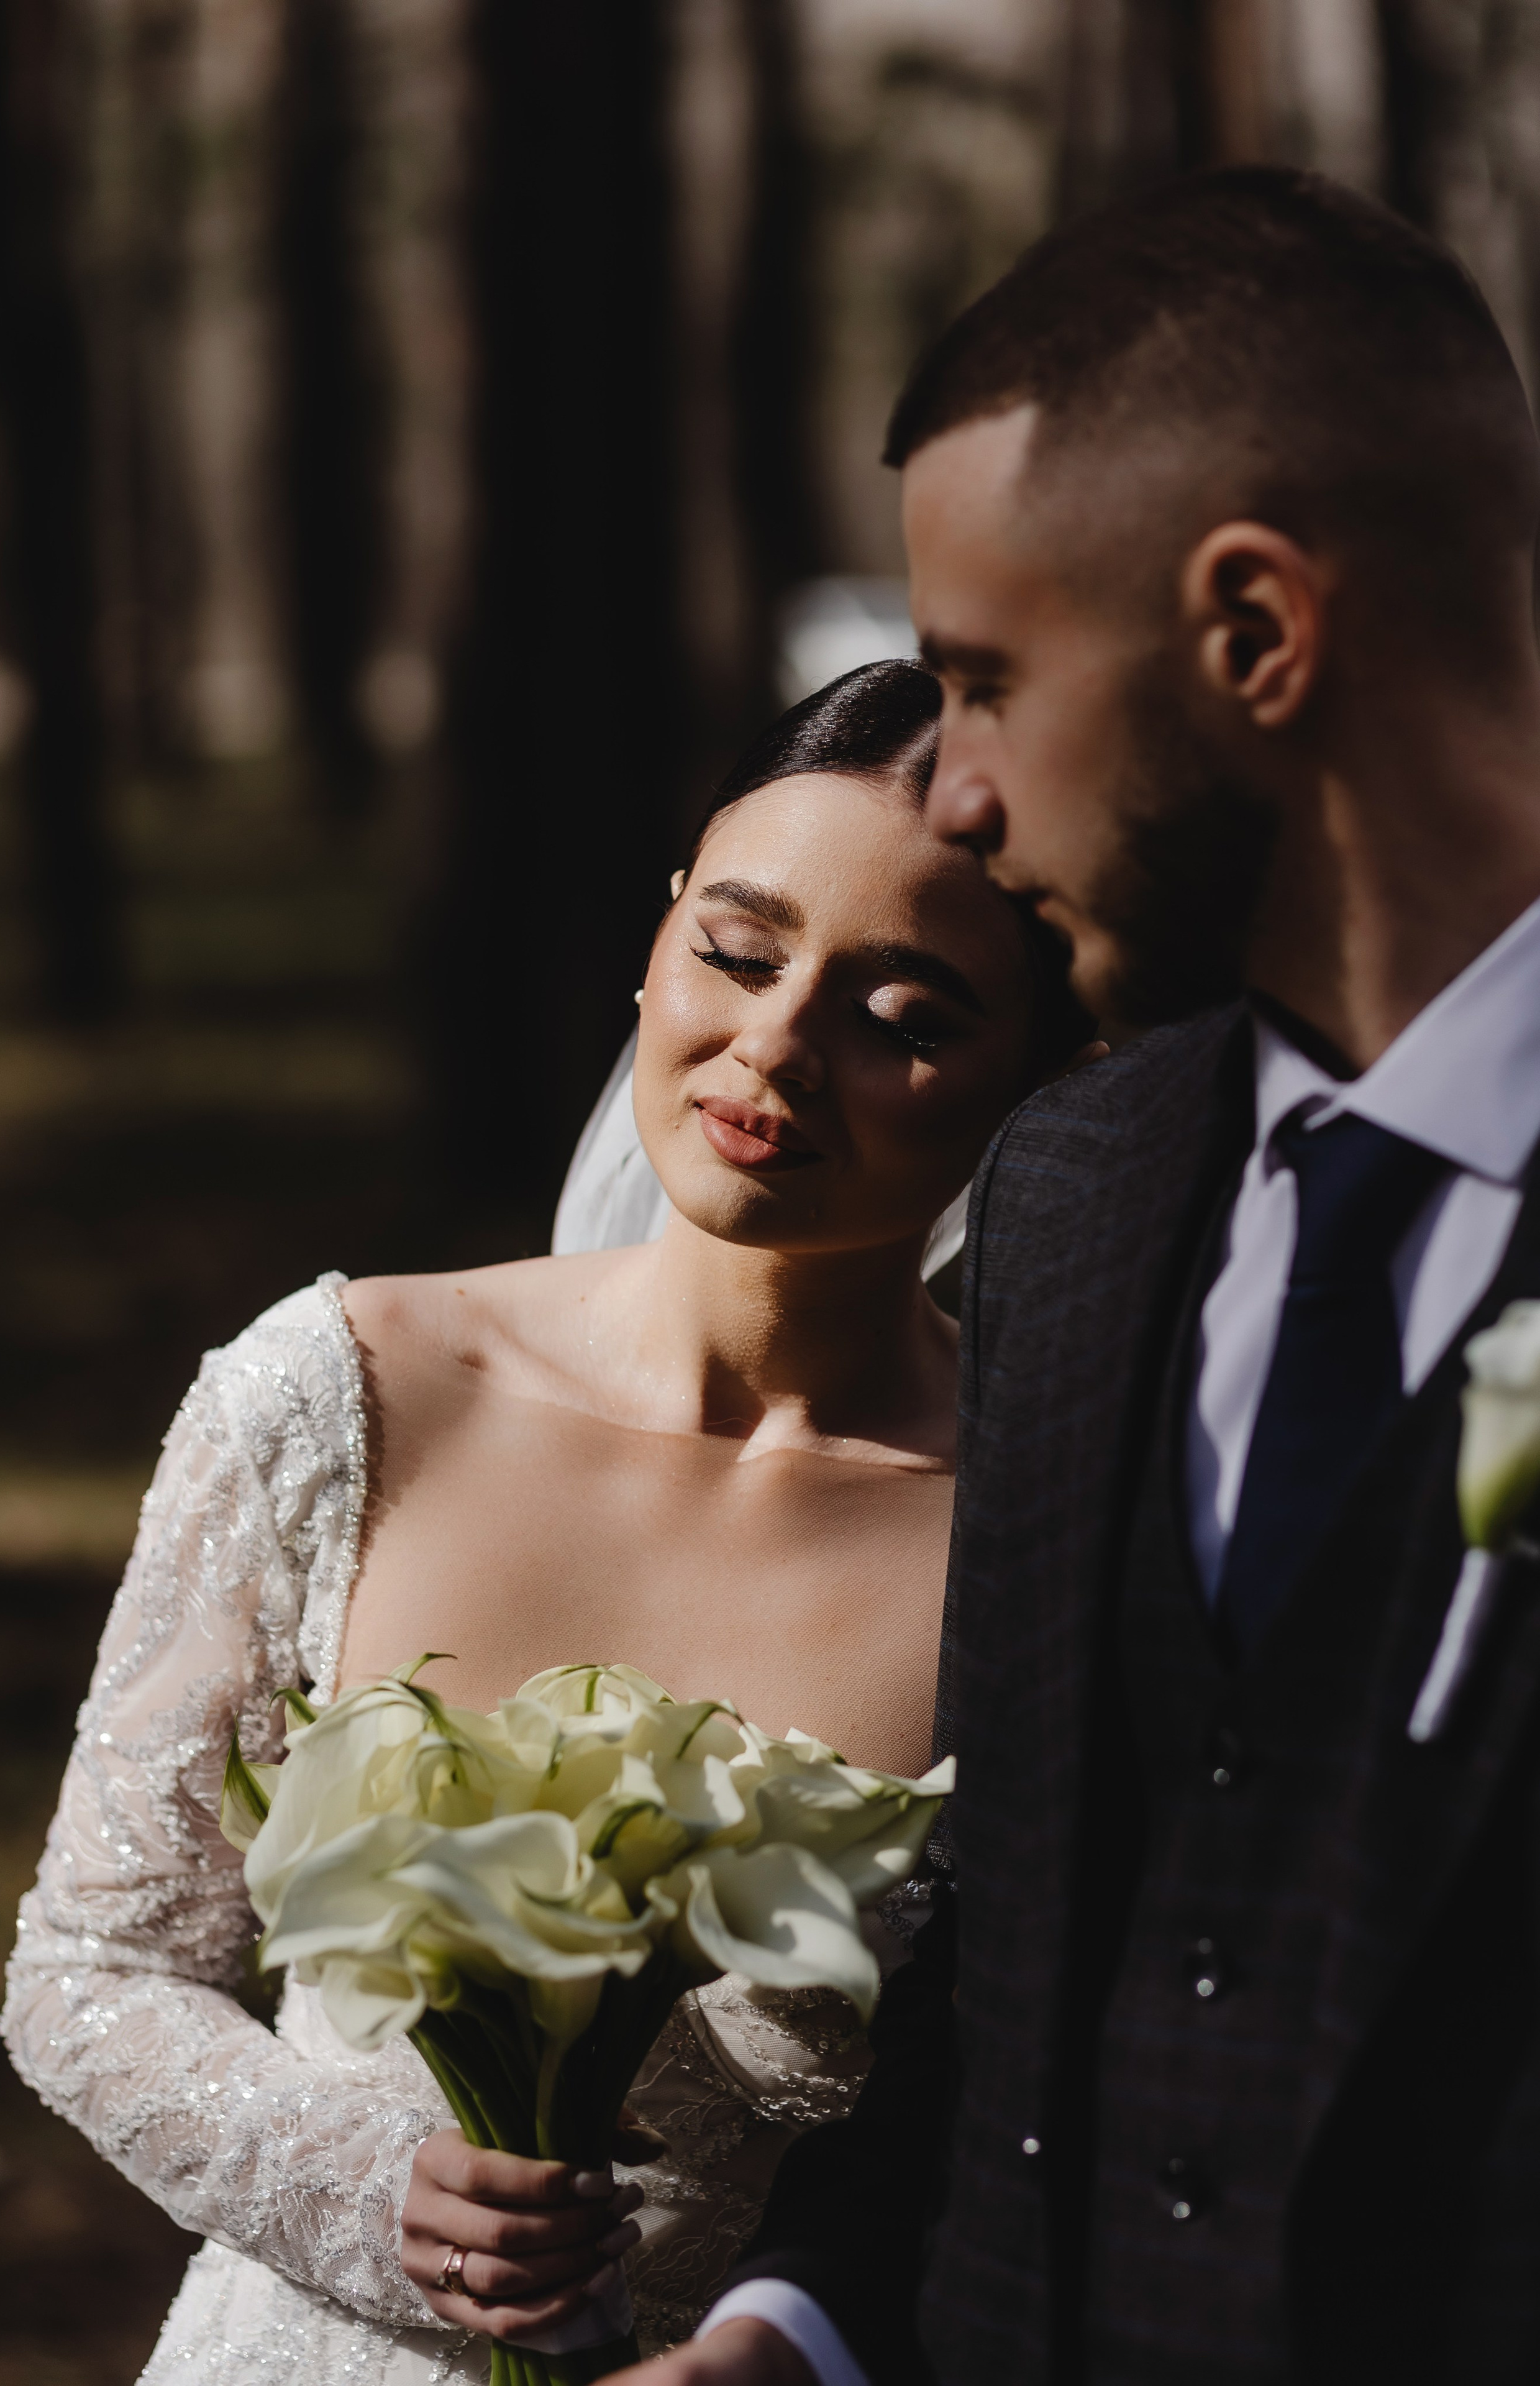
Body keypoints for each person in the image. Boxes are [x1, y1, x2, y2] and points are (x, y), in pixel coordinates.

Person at [617, 164, 1540, 2386]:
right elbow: (1034, 1941)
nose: (944, 800)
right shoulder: (1079, 1194)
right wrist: (792, 2330)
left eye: (984, 682)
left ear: (1258, 635)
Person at [0, 659, 1093, 2385]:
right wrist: (386, 2195)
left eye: (905, 1017)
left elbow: (1024, 2114)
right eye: (738, 953)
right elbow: (87, 1970)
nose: (777, 1049)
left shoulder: (1050, 1528)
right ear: (662, 938)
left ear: (1044, 1062)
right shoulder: (344, 1392)